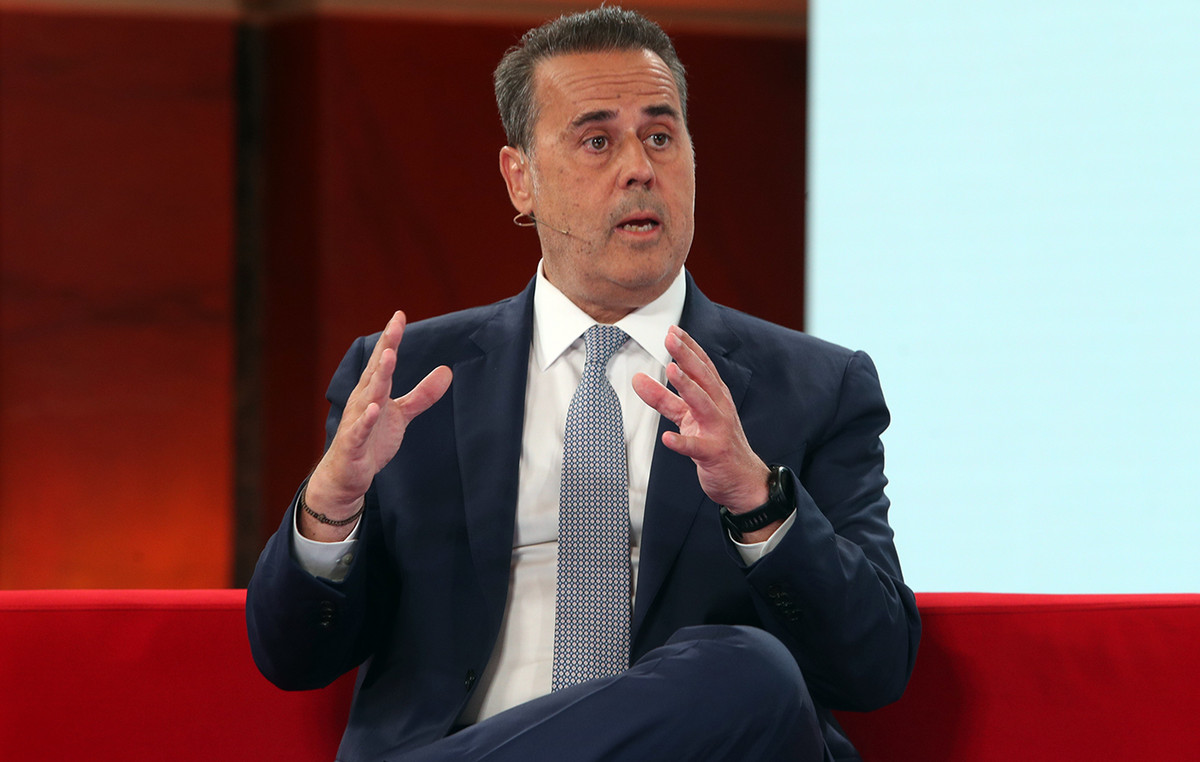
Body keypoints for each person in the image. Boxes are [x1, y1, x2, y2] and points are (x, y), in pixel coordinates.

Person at [247, 7, 919, 761]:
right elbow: (293, 657)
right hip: (466, 737)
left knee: (752, 672)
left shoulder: (817, 386)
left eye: (660, 136)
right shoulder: (408, 380)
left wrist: (760, 503)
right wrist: (331, 509)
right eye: (597, 141)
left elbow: (875, 665)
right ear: (521, 179)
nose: (639, 168)